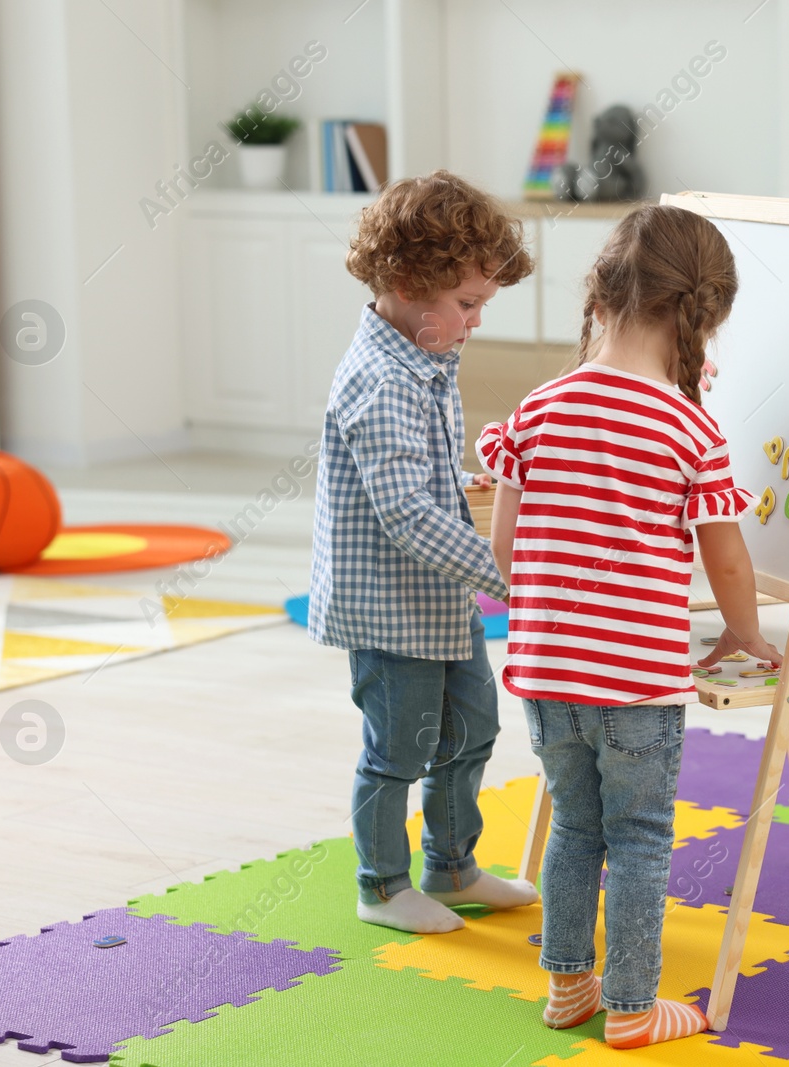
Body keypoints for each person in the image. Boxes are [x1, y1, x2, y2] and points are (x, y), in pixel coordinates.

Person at [479, 205, 782, 1048]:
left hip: (545, 674)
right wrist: (745, 634)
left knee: (575, 829)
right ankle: (634, 1009)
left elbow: (501, 547)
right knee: (641, 839)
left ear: (599, 292)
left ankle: (569, 987)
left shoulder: (541, 407)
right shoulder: (690, 428)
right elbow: (725, 561)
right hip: (637, 685)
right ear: (705, 318)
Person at [309, 170, 539, 935]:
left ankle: (451, 864)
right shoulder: (380, 379)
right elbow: (404, 513)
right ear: (408, 283)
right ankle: (380, 885)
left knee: (472, 726)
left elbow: (418, 476)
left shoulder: (426, 355)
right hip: (389, 608)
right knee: (399, 750)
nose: (474, 322)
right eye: (468, 304)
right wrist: (504, 574)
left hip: (438, 599)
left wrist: (462, 480)